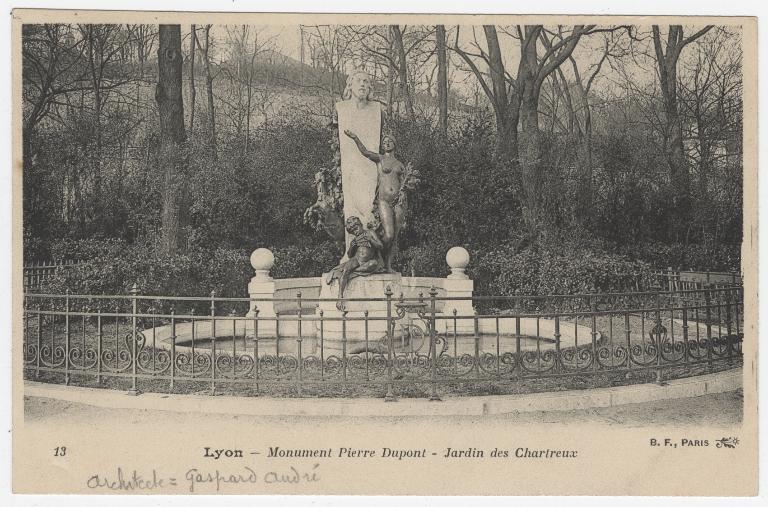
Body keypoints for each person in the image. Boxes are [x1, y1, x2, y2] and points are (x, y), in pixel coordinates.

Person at [343, 129, 405, 273]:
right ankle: (377, 256)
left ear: (394, 144)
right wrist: (355, 137)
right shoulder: (380, 158)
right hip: (384, 201)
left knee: (394, 236)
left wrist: (404, 193)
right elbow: (365, 152)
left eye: (389, 141)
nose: (387, 143)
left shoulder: (400, 164)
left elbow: (405, 183)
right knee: (388, 234)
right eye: (384, 142)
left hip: (399, 202)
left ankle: (388, 266)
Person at [325, 216, 384, 309]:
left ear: (360, 225)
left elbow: (380, 246)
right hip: (356, 259)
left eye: (356, 228)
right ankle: (340, 297)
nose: (355, 232)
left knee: (374, 264)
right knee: (346, 269)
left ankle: (352, 273)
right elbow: (349, 255)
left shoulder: (370, 232)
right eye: (353, 232)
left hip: (368, 261)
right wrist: (352, 247)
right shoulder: (355, 240)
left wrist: (371, 240)